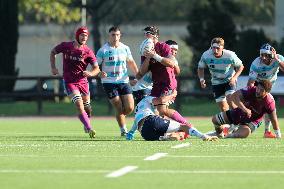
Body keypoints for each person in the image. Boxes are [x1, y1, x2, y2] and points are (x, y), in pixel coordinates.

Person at [50, 26, 101, 138]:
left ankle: (86, 121)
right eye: (82, 35)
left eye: (86, 35)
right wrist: (53, 67)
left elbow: (97, 68)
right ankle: (89, 127)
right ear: (77, 35)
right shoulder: (66, 46)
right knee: (79, 104)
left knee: (87, 107)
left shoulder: (88, 51)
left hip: (83, 82)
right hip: (69, 82)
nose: (84, 37)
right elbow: (53, 52)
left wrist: (91, 73)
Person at [137, 26, 187, 125]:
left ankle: (187, 125)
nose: (145, 36)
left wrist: (155, 56)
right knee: (150, 106)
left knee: (162, 109)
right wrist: (148, 57)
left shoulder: (163, 46)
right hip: (156, 84)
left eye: (147, 33)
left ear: (155, 35)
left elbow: (171, 63)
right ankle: (166, 129)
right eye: (145, 34)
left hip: (167, 83)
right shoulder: (145, 50)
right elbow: (141, 72)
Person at [96, 26, 139, 136]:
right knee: (118, 105)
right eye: (113, 35)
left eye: (117, 35)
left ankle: (119, 116)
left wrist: (138, 77)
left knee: (129, 108)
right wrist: (99, 73)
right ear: (109, 36)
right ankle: (123, 130)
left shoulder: (125, 48)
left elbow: (131, 63)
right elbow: (95, 66)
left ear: (120, 36)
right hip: (108, 82)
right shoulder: (103, 50)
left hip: (123, 81)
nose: (115, 37)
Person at [126, 90, 218, 141]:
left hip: (145, 133)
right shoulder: (147, 99)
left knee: (167, 134)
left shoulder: (137, 109)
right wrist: (173, 95)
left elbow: (134, 125)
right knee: (184, 127)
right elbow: (160, 101)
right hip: (151, 121)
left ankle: (167, 137)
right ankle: (203, 136)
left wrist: (130, 134)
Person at [211, 80, 281, 138]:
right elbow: (234, 96)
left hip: (253, 121)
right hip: (240, 112)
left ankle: (230, 134)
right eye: (258, 88)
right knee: (215, 120)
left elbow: (273, 119)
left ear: (267, 92)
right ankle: (219, 133)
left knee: (245, 133)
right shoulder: (251, 89)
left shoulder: (269, 102)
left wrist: (278, 135)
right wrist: (244, 109)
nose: (258, 91)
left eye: (261, 90)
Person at [247, 43, 284, 138]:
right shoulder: (256, 63)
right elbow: (251, 82)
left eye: (266, 55)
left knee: (267, 106)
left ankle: (267, 131)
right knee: (252, 105)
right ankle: (234, 125)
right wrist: (249, 95)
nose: (263, 57)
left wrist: (278, 60)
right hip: (258, 85)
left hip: (269, 85)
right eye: (262, 55)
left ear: (271, 55)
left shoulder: (278, 58)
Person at [198, 37, 244, 112]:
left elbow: (241, 66)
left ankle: (238, 120)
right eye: (213, 48)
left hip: (229, 80)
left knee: (230, 100)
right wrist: (201, 79)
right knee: (223, 108)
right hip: (216, 82)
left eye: (218, 48)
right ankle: (230, 122)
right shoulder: (206, 55)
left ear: (222, 48)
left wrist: (234, 78)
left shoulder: (230, 55)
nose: (215, 50)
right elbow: (200, 67)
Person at [131, 38, 180, 105]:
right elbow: (141, 73)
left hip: (154, 88)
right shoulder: (153, 57)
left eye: (176, 50)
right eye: (172, 49)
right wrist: (136, 79)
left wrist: (173, 63)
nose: (174, 52)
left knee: (160, 109)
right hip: (143, 88)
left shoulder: (170, 61)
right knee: (154, 109)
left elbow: (177, 72)